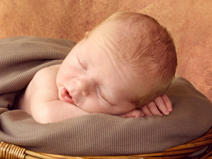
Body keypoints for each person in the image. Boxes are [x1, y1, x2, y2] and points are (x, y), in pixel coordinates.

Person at [14, 12, 176, 122]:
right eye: (81, 65)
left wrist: (145, 103)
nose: (82, 85)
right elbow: (46, 115)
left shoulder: (125, 93)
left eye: (103, 94)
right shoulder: (47, 77)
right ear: (81, 42)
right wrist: (115, 118)